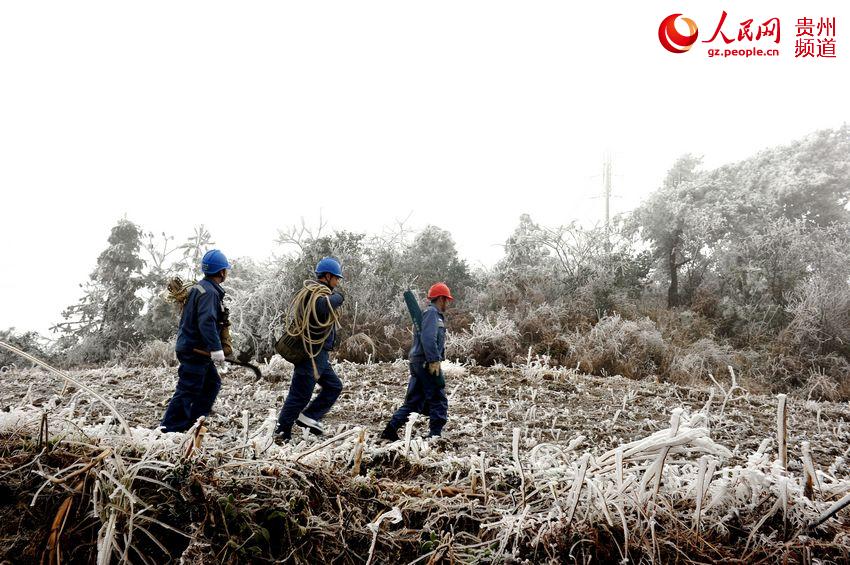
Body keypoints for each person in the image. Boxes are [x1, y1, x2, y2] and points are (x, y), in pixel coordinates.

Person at [160, 249, 231, 433]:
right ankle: (169, 430)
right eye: (226, 270)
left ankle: (192, 424)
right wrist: (216, 349)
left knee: (211, 384)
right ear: (221, 272)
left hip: (191, 346)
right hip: (195, 350)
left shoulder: (200, 287)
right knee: (188, 388)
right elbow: (206, 322)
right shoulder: (209, 293)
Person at [275, 257, 345, 442]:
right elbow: (324, 306)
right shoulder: (314, 295)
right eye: (336, 278)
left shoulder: (319, 294)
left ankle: (309, 416)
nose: (337, 282)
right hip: (311, 355)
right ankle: (281, 434)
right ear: (328, 276)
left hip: (319, 354)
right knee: (299, 396)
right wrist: (339, 296)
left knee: (334, 386)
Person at [380, 282, 453, 441]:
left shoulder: (429, 314)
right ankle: (435, 436)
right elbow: (428, 338)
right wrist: (434, 360)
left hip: (418, 361)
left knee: (415, 401)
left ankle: (390, 429)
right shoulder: (432, 313)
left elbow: (433, 339)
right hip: (426, 362)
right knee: (438, 398)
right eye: (447, 299)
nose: (448, 302)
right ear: (441, 298)